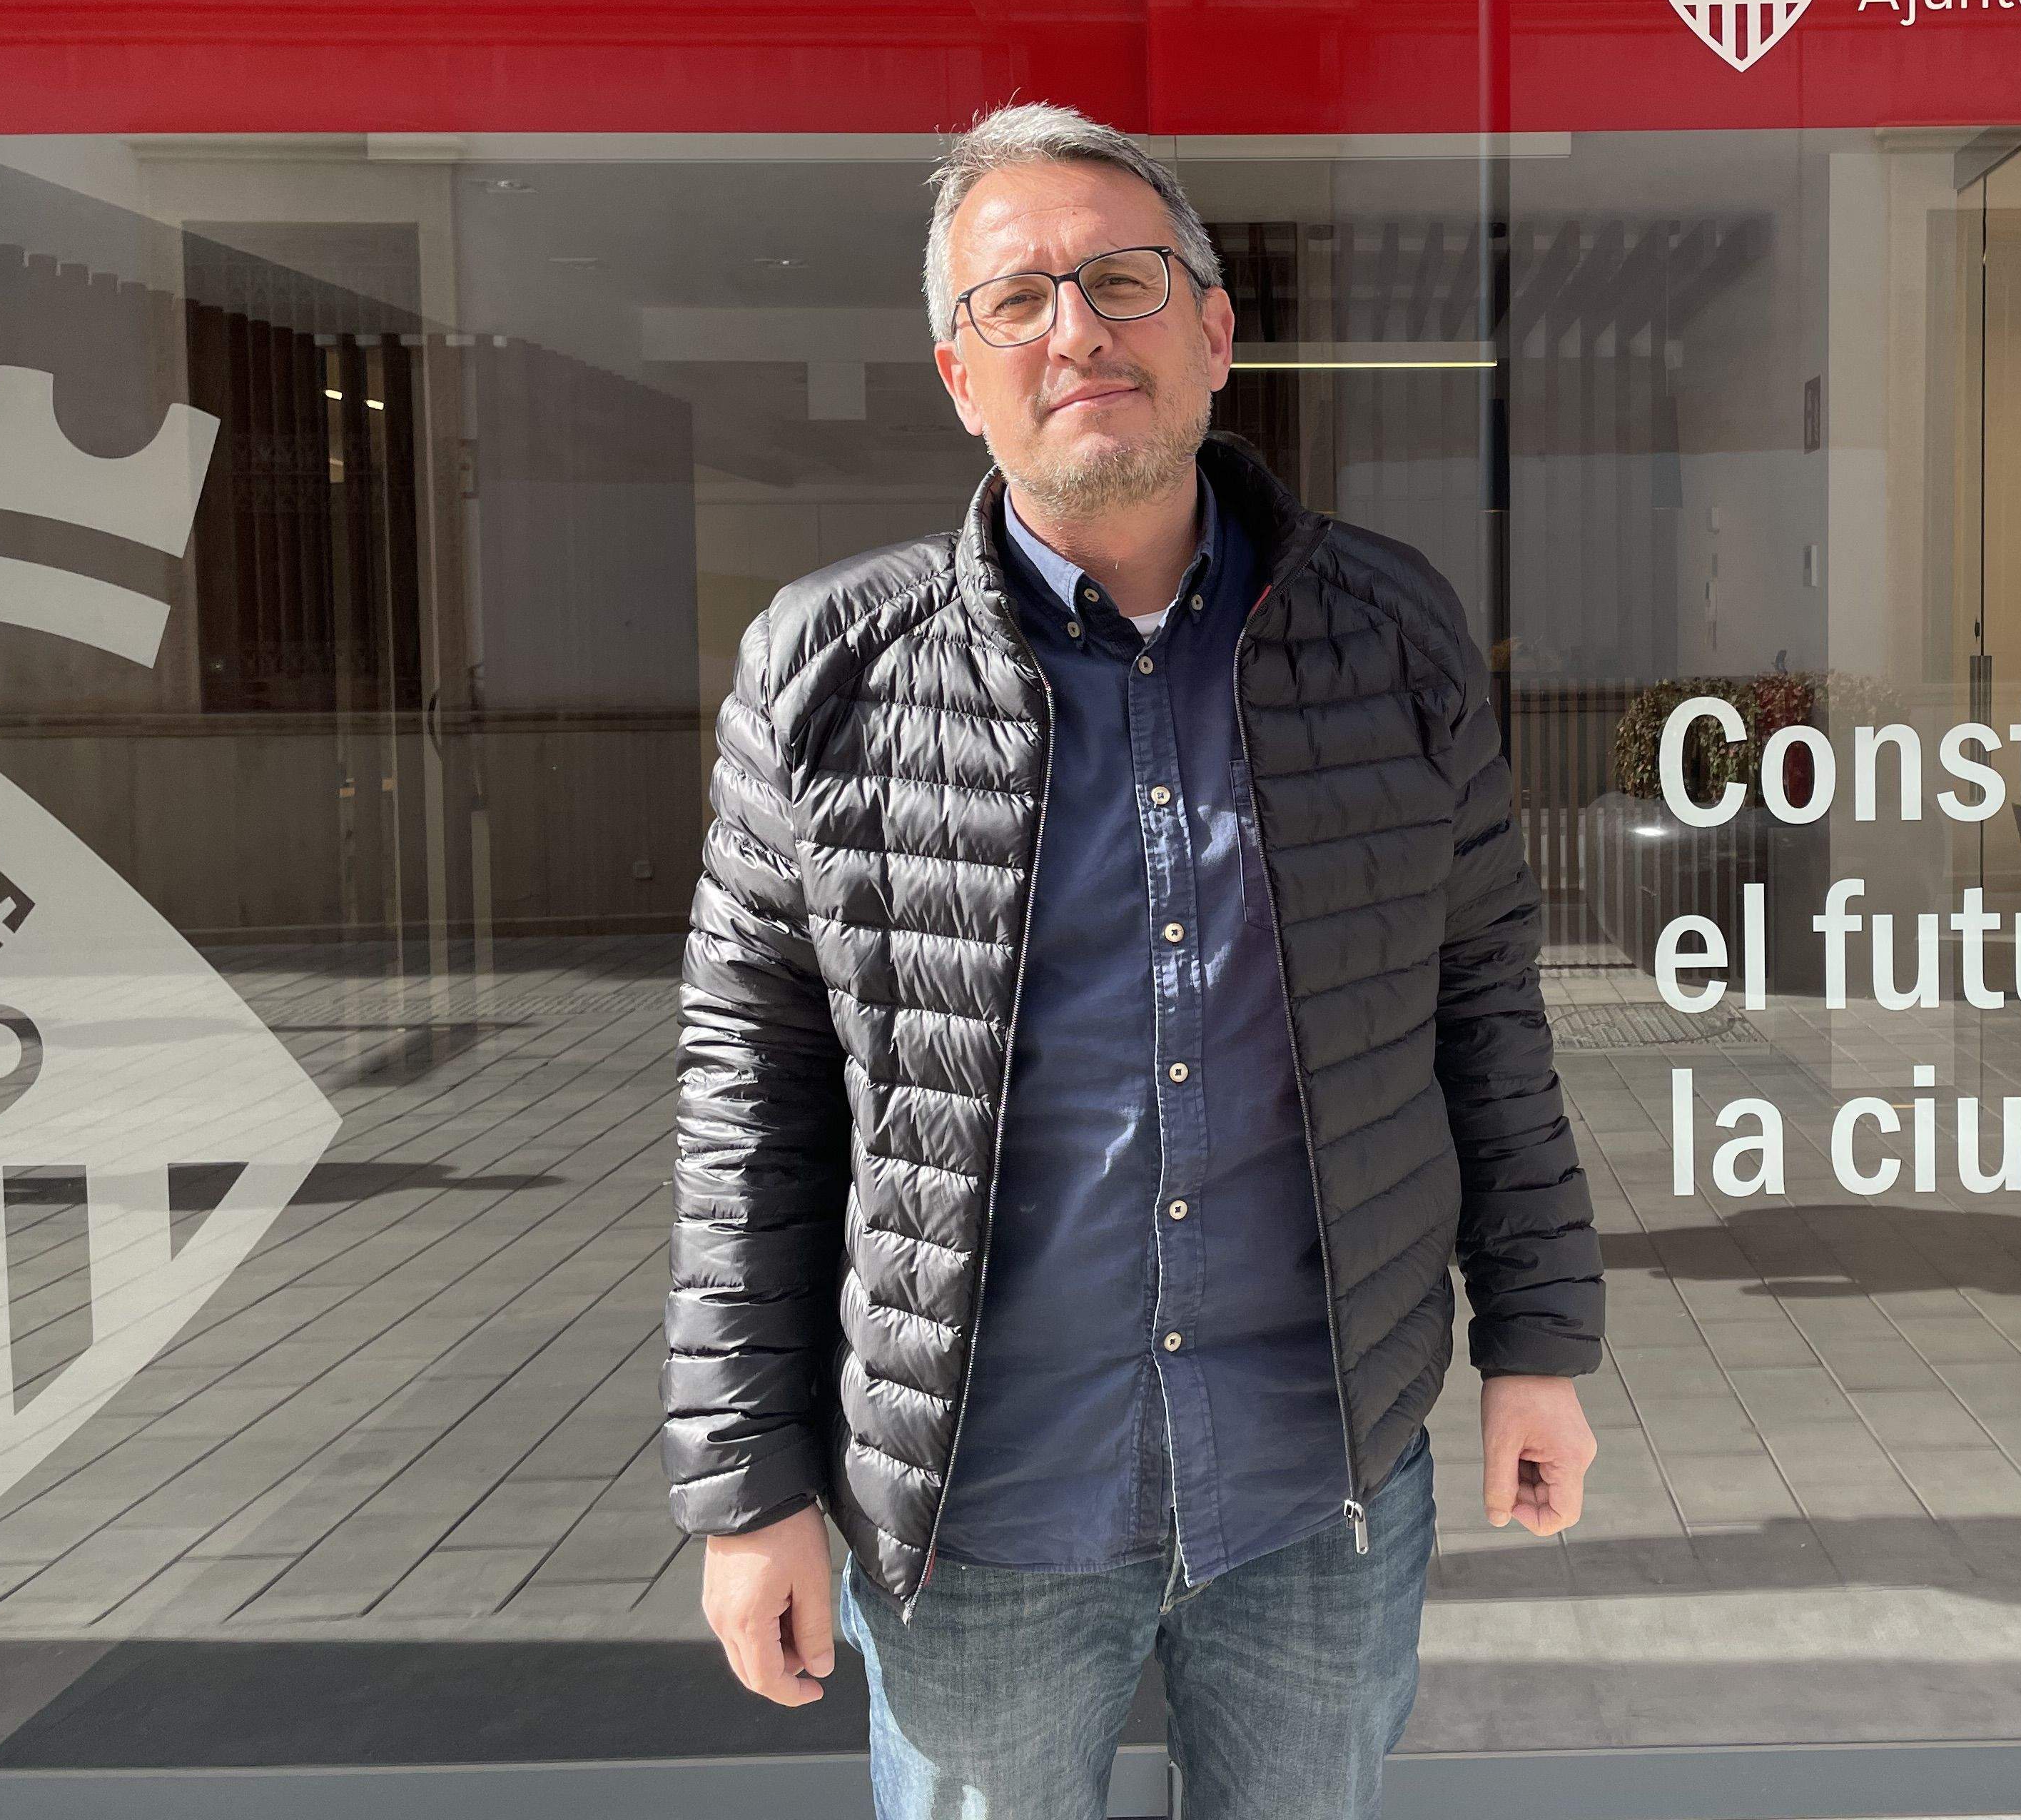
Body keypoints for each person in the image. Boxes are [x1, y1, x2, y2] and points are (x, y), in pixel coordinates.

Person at [659, 101, 1606, 1819]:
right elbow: (755, 1104)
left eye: (1123, 278)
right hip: (981, 1516)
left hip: (1317, 1489)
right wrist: (747, 1486)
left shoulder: (1392, 642)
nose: (1076, 328)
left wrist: (1533, 1343)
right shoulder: (825, 672)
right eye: (1015, 300)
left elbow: (1484, 1009)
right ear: (961, 373)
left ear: (1215, 333)